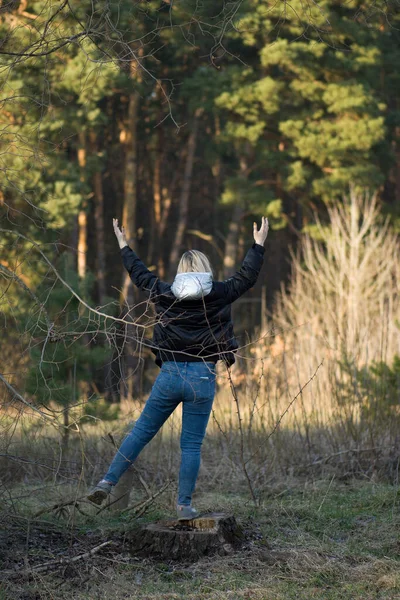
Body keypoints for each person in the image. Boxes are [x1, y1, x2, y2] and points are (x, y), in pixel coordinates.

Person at [87, 216, 269, 519]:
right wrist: (258, 244)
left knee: (140, 432)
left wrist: (124, 245)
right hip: (202, 376)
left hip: (170, 374)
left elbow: (139, 275)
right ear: (205, 269)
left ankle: (107, 482)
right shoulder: (220, 291)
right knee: (191, 445)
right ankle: (184, 505)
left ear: (182, 272)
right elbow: (247, 277)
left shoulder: (165, 292)